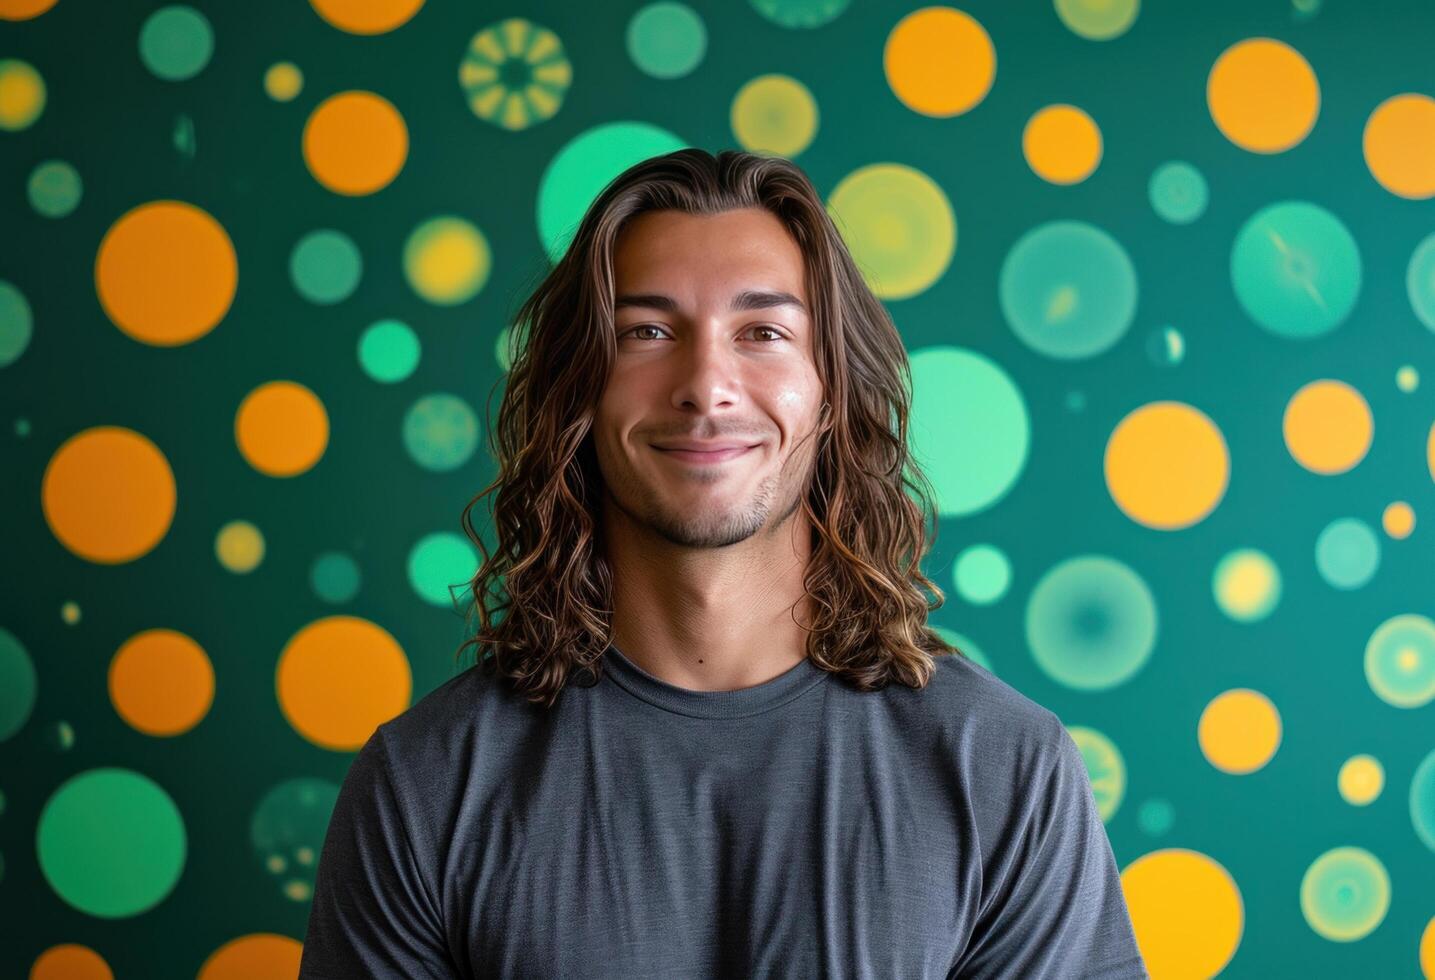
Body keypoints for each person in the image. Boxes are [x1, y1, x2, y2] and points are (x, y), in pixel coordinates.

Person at [298, 148, 1149, 979]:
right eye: (647, 330)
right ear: (577, 395)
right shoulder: (425, 785)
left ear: (832, 391)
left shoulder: (1002, 769)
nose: (706, 384)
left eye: (763, 332)